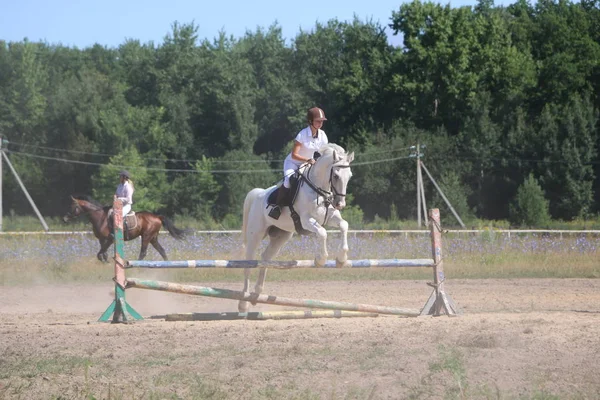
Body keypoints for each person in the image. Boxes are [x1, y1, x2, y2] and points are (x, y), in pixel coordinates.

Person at [275, 107, 329, 208]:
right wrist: (308, 160)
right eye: (318, 121)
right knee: (288, 181)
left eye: (322, 121)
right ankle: (277, 206)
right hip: (293, 163)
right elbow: (294, 155)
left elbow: (324, 152)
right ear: (310, 121)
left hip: (308, 164)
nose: (320, 123)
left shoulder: (322, 135)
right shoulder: (302, 134)